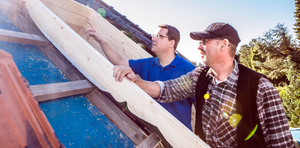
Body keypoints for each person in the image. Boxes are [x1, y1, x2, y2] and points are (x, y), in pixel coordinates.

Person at [113, 22, 296, 148]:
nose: (199, 47)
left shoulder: (260, 87)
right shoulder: (200, 76)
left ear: (224, 45)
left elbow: (282, 143)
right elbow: (166, 89)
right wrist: (136, 81)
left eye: (204, 42)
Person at [85, 20, 196, 130]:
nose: (153, 38)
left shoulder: (189, 69)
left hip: (178, 136)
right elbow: (120, 61)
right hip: (151, 129)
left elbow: (200, 103)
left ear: (171, 43)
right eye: (154, 35)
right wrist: (101, 40)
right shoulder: (149, 63)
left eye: (159, 36)